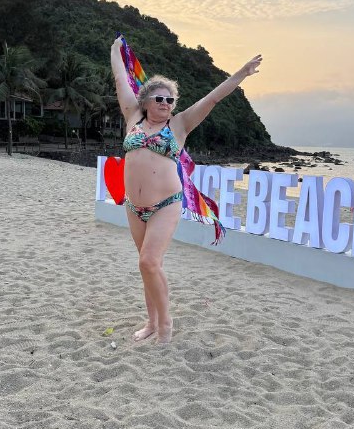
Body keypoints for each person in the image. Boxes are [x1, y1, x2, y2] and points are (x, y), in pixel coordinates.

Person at [111, 36, 262, 344]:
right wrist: (115, 50)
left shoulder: (179, 125)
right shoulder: (133, 117)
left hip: (166, 204)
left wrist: (241, 74)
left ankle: (165, 323)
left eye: (170, 100)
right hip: (134, 206)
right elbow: (120, 79)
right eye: (159, 99)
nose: (165, 104)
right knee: (148, 266)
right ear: (145, 101)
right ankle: (151, 322)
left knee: (148, 262)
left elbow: (212, 99)